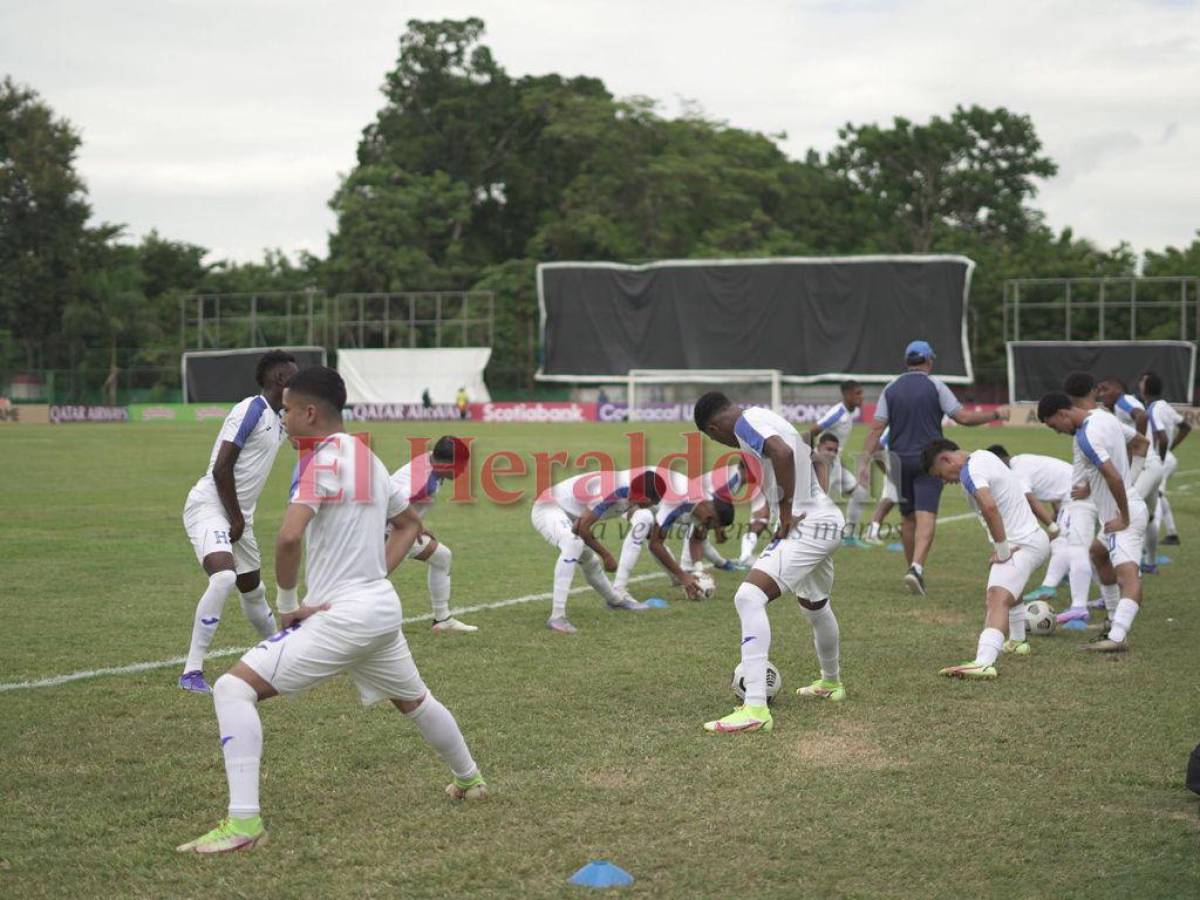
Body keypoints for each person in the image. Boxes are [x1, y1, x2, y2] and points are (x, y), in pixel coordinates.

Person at [177, 366, 486, 855]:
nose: (284, 418)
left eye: (288, 410)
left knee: (234, 688)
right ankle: (471, 780)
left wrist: (286, 606)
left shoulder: (320, 461)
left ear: (310, 412)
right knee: (414, 700)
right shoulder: (369, 457)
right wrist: (375, 578)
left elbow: (288, 536)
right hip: (381, 610)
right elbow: (408, 526)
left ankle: (243, 824)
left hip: (344, 615)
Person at [694, 392, 846, 735]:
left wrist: (789, 511)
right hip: (825, 520)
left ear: (714, 427)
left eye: (712, 438)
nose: (720, 443)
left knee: (748, 597)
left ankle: (755, 708)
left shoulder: (746, 424)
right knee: (815, 605)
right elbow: (814, 460)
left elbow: (784, 453)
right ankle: (831, 683)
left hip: (808, 525)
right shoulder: (765, 417)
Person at [179, 350, 299, 694]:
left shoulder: (279, 418)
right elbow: (221, 467)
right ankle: (191, 672)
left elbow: (304, 435)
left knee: (253, 590)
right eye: (295, 375)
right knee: (224, 578)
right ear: (279, 379)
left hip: (238, 514)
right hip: (211, 505)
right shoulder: (251, 408)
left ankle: (281, 655)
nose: (299, 381)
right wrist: (234, 517)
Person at [860, 340, 1003, 596]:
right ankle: (916, 567)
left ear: (907, 361)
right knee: (926, 515)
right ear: (929, 361)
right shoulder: (935, 385)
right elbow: (964, 418)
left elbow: (876, 429)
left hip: (898, 461)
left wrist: (863, 463)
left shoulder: (890, 389)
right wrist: (995, 415)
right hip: (930, 460)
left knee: (907, 518)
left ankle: (911, 568)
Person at [924, 440, 1051, 679]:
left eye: (941, 475)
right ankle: (1017, 641)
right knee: (1010, 586)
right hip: (1032, 539)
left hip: (1022, 544)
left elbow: (990, 507)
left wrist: (1003, 550)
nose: (944, 481)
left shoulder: (971, 471)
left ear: (945, 459)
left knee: (996, 597)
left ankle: (983, 662)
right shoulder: (983, 456)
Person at [1037, 390, 1148, 653]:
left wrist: (1124, 515)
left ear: (1063, 413)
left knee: (1128, 577)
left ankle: (1118, 637)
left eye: (1054, 426)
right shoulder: (1104, 417)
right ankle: (1111, 619)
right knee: (1097, 554)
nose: (1057, 431)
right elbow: (1141, 442)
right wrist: (1095, 485)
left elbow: (1113, 477)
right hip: (1123, 509)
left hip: (1122, 517)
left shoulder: (1086, 436)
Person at [531, 467, 665, 633]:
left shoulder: (633, 490)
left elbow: (631, 508)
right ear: (644, 496)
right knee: (574, 544)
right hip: (549, 507)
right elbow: (581, 528)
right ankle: (557, 617)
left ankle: (615, 601)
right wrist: (606, 555)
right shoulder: (613, 491)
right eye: (652, 501)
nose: (652, 505)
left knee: (589, 561)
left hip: (572, 514)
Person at [389, 436, 477, 634]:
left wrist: (416, 524)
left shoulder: (431, 461)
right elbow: (390, 503)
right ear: (447, 464)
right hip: (385, 532)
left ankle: (442, 619)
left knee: (442, 557)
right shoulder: (421, 481)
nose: (463, 470)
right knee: (371, 581)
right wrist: (413, 525)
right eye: (461, 466)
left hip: (402, 530)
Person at [612, 465, 739, 603]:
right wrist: (684, 576)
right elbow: (655, 545)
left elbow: (696, 538)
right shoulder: (678, 501)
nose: (708, 529)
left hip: (652, 493)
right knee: (644, 522)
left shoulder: (707, 505)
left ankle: (676, 578)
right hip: (630, 488)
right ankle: (619, 588)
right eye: (712, 526)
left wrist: (698, 570)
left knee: (650, 529)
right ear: (710, 516)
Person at [985, 445, 1075, 605]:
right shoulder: (1023, 460)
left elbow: (1030, 500)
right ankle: (1065, 574)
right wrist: (1055, 517)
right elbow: (1054, 487)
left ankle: (1048, 587)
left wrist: (1051, 525)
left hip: (1076, 494)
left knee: (1061, 540)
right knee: (1083, 545)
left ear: (1000, 460)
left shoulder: (1017, 472)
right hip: (1072, 490)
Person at [808, 381, 870, 546]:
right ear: (847, 395)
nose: (861, 397)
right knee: (819, 504)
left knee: (860, 492)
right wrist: (812, 456)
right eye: (858, 393)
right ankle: (808, 538)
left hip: (835, 464)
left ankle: (848, 536)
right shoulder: (837, 413)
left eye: (861, 392)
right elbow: (812, 431)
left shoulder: (850, 413)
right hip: (824, 465)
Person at [1139, 370, 1191, 561]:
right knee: (1158, 496)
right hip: (1166, 457)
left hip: (1159, 460)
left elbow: (1161, 437)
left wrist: (1160, 459)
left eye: (1142, 382)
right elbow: (1186, 426)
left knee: (1153, 499)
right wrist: (1170, 449)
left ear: (1146, 388)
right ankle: (1171, 533)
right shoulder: (1164, 405)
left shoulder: (1154, 409)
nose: (1139, 384)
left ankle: (1155, 545)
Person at [861, 427, 897, 546]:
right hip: (895, 463)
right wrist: (887, 471)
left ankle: (872, 532)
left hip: (899, 461)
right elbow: (878, 447)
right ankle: (872, 533)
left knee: (890, 500)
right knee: (888, 500)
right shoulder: (895, 424)